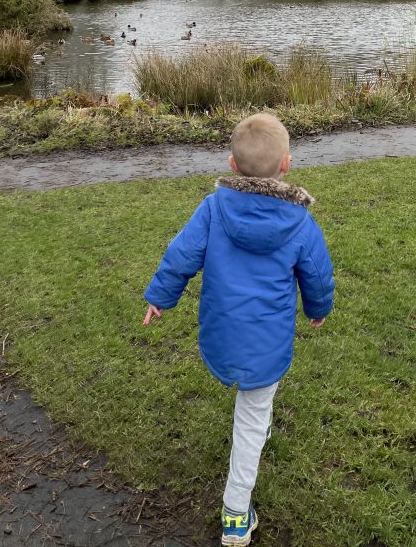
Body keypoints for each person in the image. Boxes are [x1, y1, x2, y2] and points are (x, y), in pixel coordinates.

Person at [143, 113, 335, 545]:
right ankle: (234, 513)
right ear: (286, 164)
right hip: (266, 341)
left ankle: (255, 426)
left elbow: (181, 255)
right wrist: (318, 307)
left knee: (252, 402)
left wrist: (160, 296)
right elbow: (318, 275)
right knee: (251, 418)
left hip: (222, 329)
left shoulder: (213, 208)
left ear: (232, 164)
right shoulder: (300, 221)